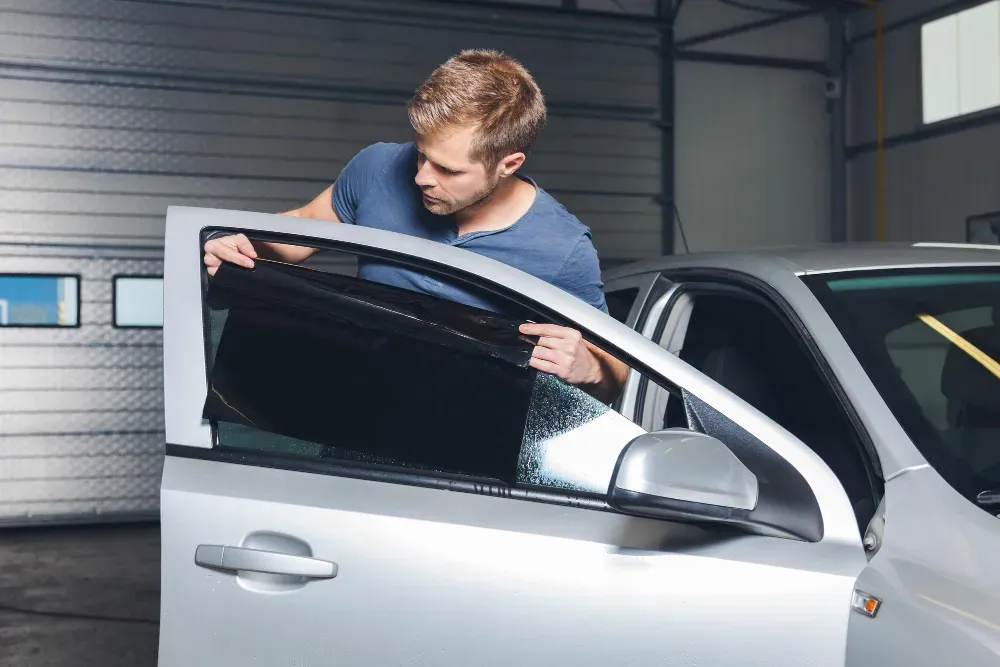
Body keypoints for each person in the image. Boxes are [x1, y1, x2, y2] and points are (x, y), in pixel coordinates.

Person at [203, 49, 627, 403]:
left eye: (447, 169)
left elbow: (617, 369)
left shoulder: (562, 247)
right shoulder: (377, 168)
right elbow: (300, 229)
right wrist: (244, 244)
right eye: (422, 153)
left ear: (508, 163)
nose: (422, 176)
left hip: (466, 441)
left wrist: (590, 368)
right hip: (350, 409)